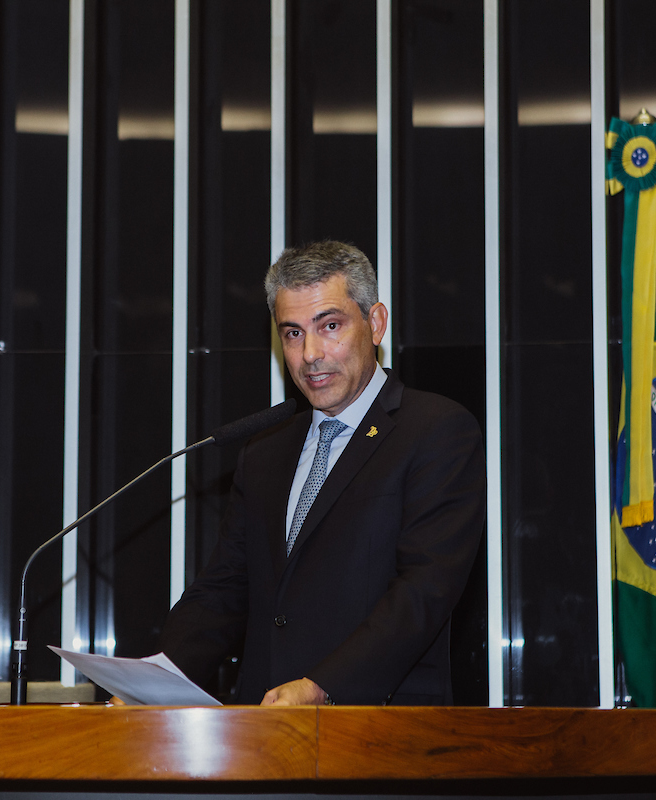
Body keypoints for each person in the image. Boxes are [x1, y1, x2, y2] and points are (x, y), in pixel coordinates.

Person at [159, 241, 485, 706]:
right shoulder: (265, 451)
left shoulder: (434, 431)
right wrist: (152, 682)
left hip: (377, 734)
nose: (310, 353)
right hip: (263, 734)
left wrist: (322, 686)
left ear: (375, 324)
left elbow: (424, 591)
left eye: (329, 326)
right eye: (292, 334)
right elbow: (224, 590)